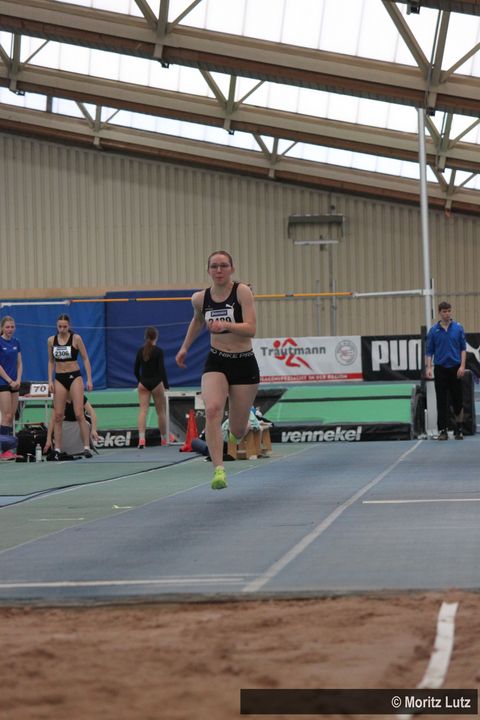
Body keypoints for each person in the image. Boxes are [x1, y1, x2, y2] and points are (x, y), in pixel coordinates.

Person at [175, 250, 259, 490]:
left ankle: (235, 431)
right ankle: (218, 469)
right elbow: (197, 320)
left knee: (238, 430)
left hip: (244, 362)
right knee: (212, 410)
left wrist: (226, 325)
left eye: (223, 265)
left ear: (232, 269)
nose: (219, 270)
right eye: (214, 266)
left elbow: (251, 329)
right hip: (217, 361)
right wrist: (184, 348)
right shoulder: (199, 299)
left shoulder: (242, 292)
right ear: (208, 270)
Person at [47, 313, 93, 459]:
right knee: (58, 415)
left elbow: (85, 359)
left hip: (74, 376)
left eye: (64, 327)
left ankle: (86, 447)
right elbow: (51, 361)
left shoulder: (76, 338)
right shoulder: (51, 340)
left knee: (79, 413)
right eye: (59, 327)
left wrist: (89, 379)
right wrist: (50, 381)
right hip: (59, 377)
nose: (62, 329)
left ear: (69, 326)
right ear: (56, 326)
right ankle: (58, 449)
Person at [425, 301, 466, 440]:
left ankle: (459, 429)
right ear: (439, 313)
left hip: (455, 368)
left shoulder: (458, 328)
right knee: (441, 401)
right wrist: (429, 368)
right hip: (440, 369)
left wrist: (462, 366)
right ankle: (442, 430)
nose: (447, 314)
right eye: (444, 311)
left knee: (458, 400)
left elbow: (463, 349)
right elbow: (429, 352)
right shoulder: (433, 330)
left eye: (449, 311)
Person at [134, 326, 169, 448]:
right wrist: (166, 385)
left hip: (143, 383)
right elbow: (161, 370)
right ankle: (164, 438)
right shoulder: (158, 351)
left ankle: (141, 439)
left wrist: (140, 381)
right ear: (156, 337)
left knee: (143, 411)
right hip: (156, 383)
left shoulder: (141, 351)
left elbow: (135, 370)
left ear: (145, 337)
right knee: (161, 412)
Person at [0, 316, 22, 460]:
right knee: (6, 415)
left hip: (15, 383)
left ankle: (8, 450)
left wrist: (18, 380)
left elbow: (19, 363)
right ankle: (4, 450)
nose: (10, 329)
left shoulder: (16, 342)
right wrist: (9, 381)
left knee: (12, 416)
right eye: (7, 327)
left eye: (12, 327)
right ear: (2, 328)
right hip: (3, 383)